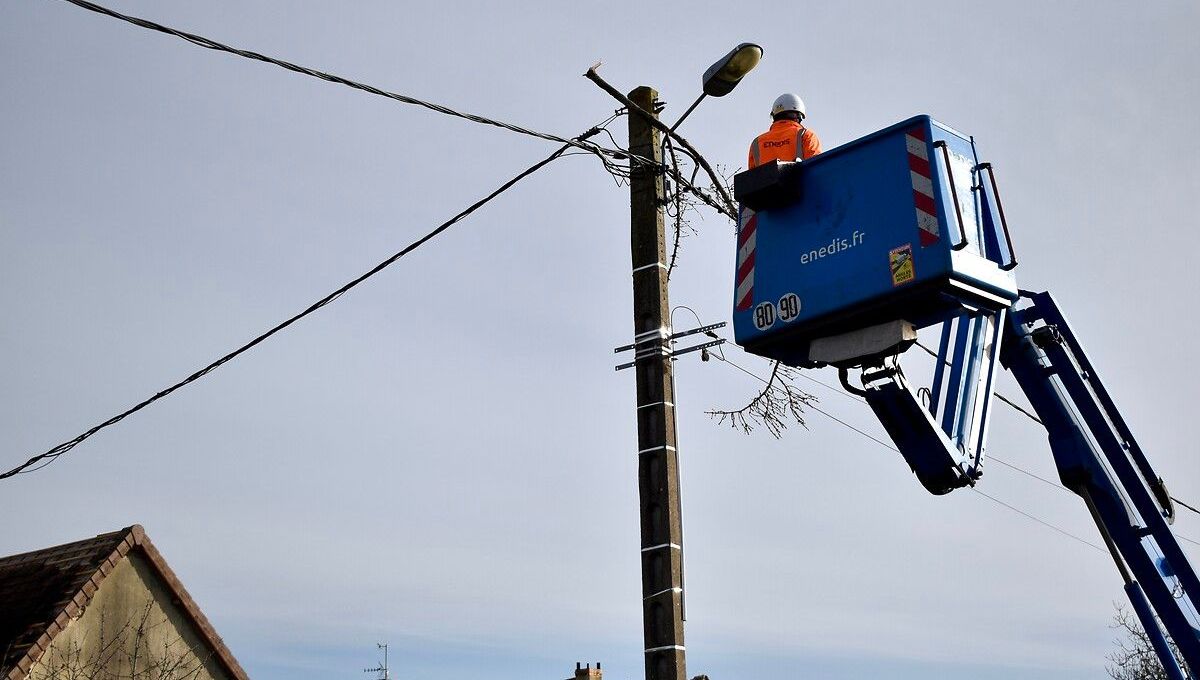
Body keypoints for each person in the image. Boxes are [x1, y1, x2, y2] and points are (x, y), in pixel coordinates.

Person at [747, 93, 822, 169]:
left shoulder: (756, 143)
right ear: (798, 116)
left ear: (774, 116)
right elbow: (816, 168)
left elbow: (751, 177)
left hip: (766, 181)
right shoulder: (806, 135)